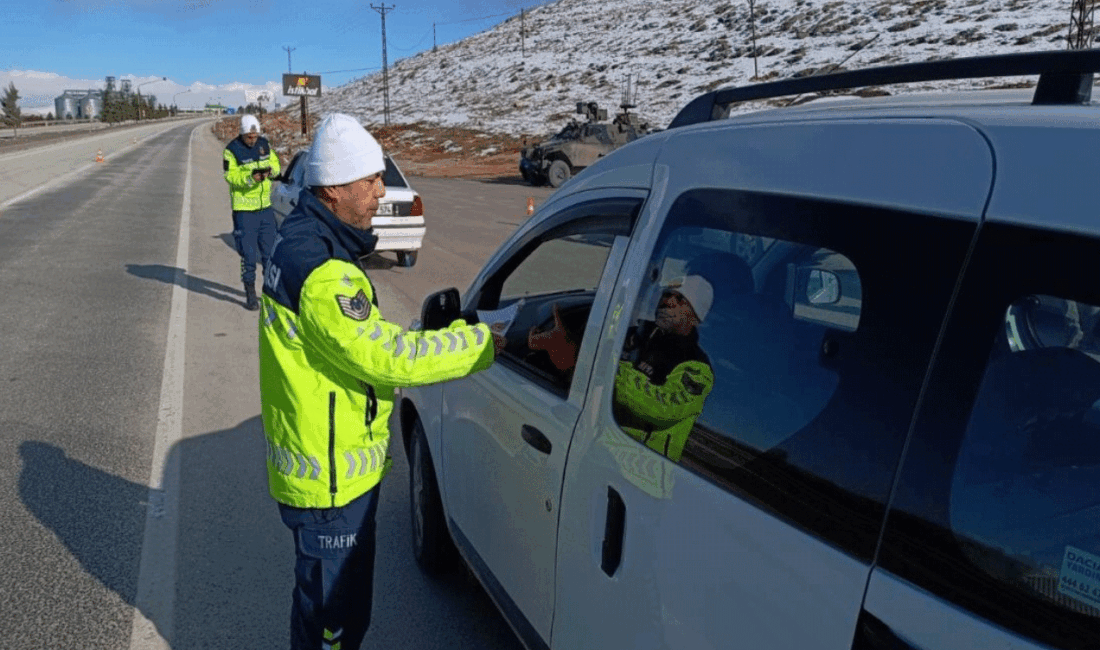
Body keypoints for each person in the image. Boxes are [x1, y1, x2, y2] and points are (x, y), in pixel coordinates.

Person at [258, 113, 505, 650]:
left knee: (322, 612)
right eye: (368, 180)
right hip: (330, 486)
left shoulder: (299, 241)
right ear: (333, 189)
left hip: (321, 473)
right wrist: (485, 342)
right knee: (334, 623)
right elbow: (387, 359)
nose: (380, 190)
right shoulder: (323, 272)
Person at [529, 274, 715, 462]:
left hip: (641, 473)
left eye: (680, 299)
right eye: (667, 294)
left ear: (696, 316)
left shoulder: (697, 367)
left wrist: (596, 366)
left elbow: (663, 407)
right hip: (598, 448)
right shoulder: (639, 334)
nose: (667, 301)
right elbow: (598, 353)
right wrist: (562, 348)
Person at [223, 113, 280, 310]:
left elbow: (276, 163)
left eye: (255, 136)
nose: (253, 140)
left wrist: (271, 171)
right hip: (245, 211)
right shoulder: (232, 150)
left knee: (270, 254)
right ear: (242, 134)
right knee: (248, 255)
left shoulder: (264, 144)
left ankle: (270, 293)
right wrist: (250, 178)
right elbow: (230, 176)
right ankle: (249, 292)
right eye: (249, 137)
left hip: (264, 209)